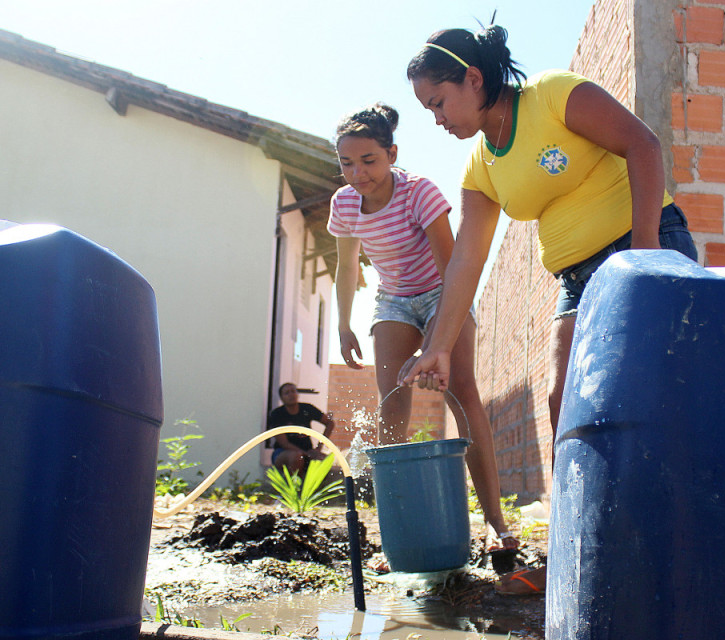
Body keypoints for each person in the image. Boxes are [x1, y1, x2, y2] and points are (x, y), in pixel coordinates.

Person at [400, 24, 698, 593]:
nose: (436, 118)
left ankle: (670, 541)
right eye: (427, 109)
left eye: (438, 102)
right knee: (568, 406)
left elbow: (643, 145)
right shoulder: (482, 166)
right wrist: (437, 345)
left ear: (474, 78)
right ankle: (581, 550)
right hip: (575, 277)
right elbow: (466, 260)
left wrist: (643, 252)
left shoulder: (554, 95)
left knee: (657, 399)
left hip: (643, 246)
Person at [328, 103, 517, 550]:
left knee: (461, 391)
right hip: (392, 299)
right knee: (391, 400)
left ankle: (495, 521)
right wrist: (343, 324)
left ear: (392, 153)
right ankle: (396, 530)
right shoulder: (345, 204)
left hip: (440, 292)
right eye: (347, 163)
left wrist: (436, 342)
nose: (358, 173)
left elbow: (453, 269)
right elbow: (346, 266)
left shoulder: (420, 193)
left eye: (369, 161)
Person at [268, 382, 335, 475]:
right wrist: (306, 454)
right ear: (282, 398)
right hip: (283, 453)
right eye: (287, 393)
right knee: (297, 457)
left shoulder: (307, 408)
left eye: (293, 391)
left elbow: (330, 423)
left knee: (326, 460)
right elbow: (284, 443)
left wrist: (319, 447)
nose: (291, 394)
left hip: (307, 451)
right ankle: (295, 487)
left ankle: (315, 488)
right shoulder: (277, 414)